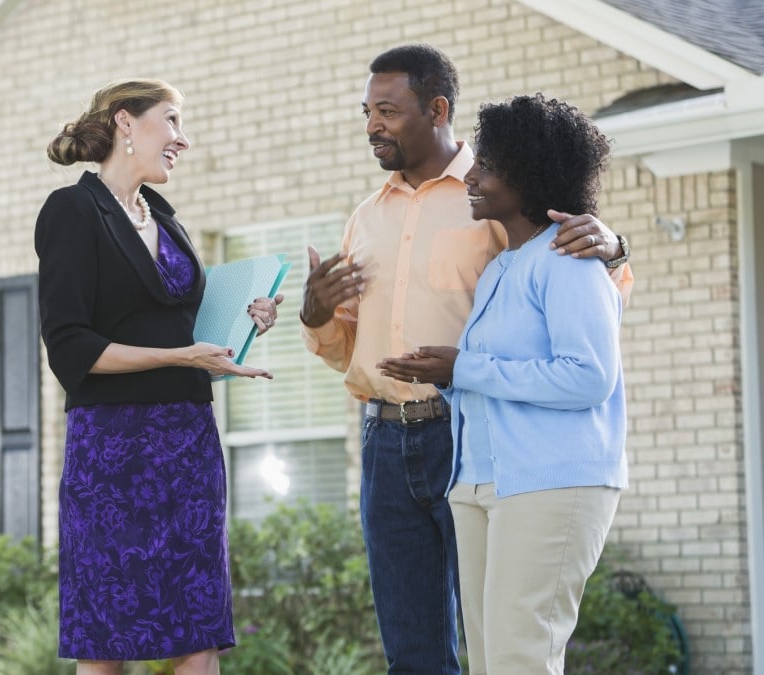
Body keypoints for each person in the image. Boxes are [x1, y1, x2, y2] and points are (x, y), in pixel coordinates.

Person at [299, 44, 632, 674]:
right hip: (385, 440)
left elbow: (586, 304)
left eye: (388, 111)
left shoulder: (504, 197)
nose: (372, 125)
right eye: (367, 111)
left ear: (437, 109)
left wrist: (614, 247)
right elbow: (345, 347)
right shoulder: (366, 219)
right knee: (419, 651)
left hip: (475, 432)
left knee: (510, 645)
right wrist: (314, 315)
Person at [35, 78, 281, 675]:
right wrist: (179, 356)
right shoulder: (73, 209)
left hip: (188, 442)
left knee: (196, 630)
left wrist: (245, 317)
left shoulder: (165, 218)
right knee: (107, 636)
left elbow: (176, 323)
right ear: (126, 122)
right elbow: (71, 347)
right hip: (114, 452)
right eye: (171, 121)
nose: (183, 139)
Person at [377, 93, 627, 673]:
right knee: (491, 659)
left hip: (550, 481)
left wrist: (462, 368)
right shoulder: (500, 268)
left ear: (528, 173)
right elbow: (492, 383)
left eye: (485, 166)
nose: (472, 177)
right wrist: (439, 376)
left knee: (522, 655)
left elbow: (589, 378)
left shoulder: (568, 260)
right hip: (481, 483)